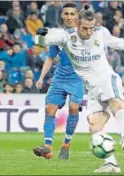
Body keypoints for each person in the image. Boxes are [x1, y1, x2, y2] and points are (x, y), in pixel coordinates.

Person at [34, 4, 124, 173]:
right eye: (85, 28)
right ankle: (111, 163)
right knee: (94, 126)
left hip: (106, 78)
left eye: (91, 28)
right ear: (77, 24)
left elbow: (117, 42)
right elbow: (43, 41)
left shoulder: (100, 32)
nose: (89, 32)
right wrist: (40, 36)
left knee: (116, 103)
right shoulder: (66, 37)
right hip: (91, 88)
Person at [33, 2, 84, 160]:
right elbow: (50, 58)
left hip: (77, 79)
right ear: (62, 15)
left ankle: (66, 143)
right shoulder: (58, 36)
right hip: (59, 78)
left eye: (72, 14)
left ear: (77, 16)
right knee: (50, 109)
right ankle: (47, 147)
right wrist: (41, 77)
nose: (69, 17)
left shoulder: (85, 35)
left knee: (74, 108)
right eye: (66, 14)